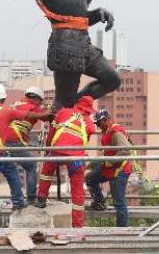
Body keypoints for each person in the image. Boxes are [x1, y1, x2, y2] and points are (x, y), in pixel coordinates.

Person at [0, 83, 50, 222]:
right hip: (0, 150)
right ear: (3, 99)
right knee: (15, 173)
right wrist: (47, 113)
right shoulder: (7, 111)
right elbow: (27, 115)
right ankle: (21, 202)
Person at [34, 96, 97, 227]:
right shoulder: (90, 125)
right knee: (77, 191)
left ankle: (41, 198)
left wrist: (47, 149)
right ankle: (78, 225)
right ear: (89, 110)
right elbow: (83, 142)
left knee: (47, 169)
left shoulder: (63, 112)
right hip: (76, 158)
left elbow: (52, 131)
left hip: (58, 150)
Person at [0, 86, 46, 205]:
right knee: (31, 166)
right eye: (40, 102)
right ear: (37, 99)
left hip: (0, 142)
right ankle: (31, 198)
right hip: (14, 142)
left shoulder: (16, 104)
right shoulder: (34, 108)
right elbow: (49, 117)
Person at [85, 109, 132, 227]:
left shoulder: (115, 132)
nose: (98, 126)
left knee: (119, 203)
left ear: (105, 120)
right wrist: (92, 164)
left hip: (119, 170)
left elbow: (126, 151)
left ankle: (122, 232)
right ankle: (99, 202)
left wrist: (110, 162)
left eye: (99, 123)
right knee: (90, 178)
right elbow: (108, 152)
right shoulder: (107, 131)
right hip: (110, 167)